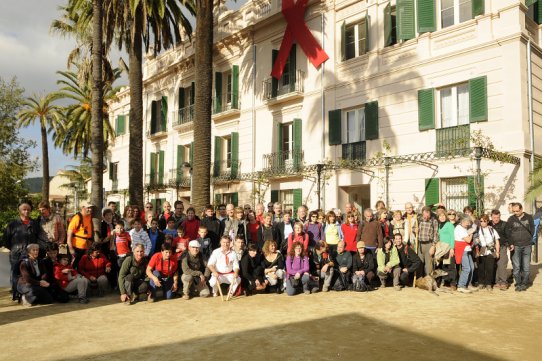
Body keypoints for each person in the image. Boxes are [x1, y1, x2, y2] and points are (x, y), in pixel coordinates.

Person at [3, 202, 40, 300]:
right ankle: (15, 292)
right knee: (15, 273)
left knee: (28, 272)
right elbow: (6, 240)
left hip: (30, 254)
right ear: (19, 211)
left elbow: (37, 238)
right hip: (16, 253)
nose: (26, 211)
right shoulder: (12, 224)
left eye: (28, 209)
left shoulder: (34, 223)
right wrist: (15, 249)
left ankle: (27, 291)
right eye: (24, 209)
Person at [505, 203, 535, 292]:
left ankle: (524, 283)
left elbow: (532, 229)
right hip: (516, 246)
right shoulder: (511, 219)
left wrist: (529, 239)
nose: (516, 213)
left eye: (517, 211)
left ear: (521, 209)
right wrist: (510, 243)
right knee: (516, 267)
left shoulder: (529, 217)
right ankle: (518, 283)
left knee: (526, 266)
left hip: (527, 245)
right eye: (514, 211)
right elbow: (508, 232)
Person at [67, 201, 95, 269]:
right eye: (88, 208)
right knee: (74, 266)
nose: (90, 209)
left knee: (83, 267)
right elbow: (69, 234)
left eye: (91, 208)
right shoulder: (77, 218)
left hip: (87, 247)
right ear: (83, 208)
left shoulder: (90, 217)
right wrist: (71, 248)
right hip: (77, 247)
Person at [477, 214, 500, 291]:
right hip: (481, 250)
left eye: (484, 221)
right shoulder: (478, 230)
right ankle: (481, 282)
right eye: (481, 221)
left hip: (491, 250)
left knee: (490, 268)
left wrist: (497, 252)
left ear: (487, 221)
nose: (482, 223)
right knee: (481, 268)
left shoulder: (492, 230)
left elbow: (497, 241)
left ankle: (488, 284)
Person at [455, 216, 476, 293]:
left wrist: (470, 231)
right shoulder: (459, 228)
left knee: (472, 267)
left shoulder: (464, 228)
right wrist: (471, 233)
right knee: (466, 268)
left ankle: (468, 284)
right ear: (463, 221)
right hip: (462, 250)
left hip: (467, 250)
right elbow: (468, 240)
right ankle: (461, 286)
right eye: (467, 223)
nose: (468, 224)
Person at [436, 210, 457, 290]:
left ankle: (453, 284)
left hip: (448, 247)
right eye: (440, 216)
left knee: (450, 266)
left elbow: (452, 237)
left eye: (443, 216)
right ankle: (446, 282)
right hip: (441, 248)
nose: (442, 217)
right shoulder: (439, 225)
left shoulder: (449, 225)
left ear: (446, 216)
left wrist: (452, 248)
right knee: (443, 266)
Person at [417, 206, 439, 276]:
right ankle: (420, 280)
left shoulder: (433, 221)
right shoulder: (419, 220)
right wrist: (415, 230)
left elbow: (436, 234)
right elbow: (414, 229)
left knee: (429, 265)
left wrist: (433, 246)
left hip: (429, 244)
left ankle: (429, 280)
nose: (426, 215)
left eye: (427, 213)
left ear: (430, 213)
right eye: (424, 213)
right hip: (420, 245)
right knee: (419, 263)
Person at [490, 209, 509, 290]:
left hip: (502, 246)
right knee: (494, 265)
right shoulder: (488, 223)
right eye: (494, 217)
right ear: (491, 217)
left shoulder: (504, 224)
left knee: (501, 264)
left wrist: (509, 244)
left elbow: (509, 235)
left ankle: (504, 282)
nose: (496, 219)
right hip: (491, 248)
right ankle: (497, 282)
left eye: (498, 217)